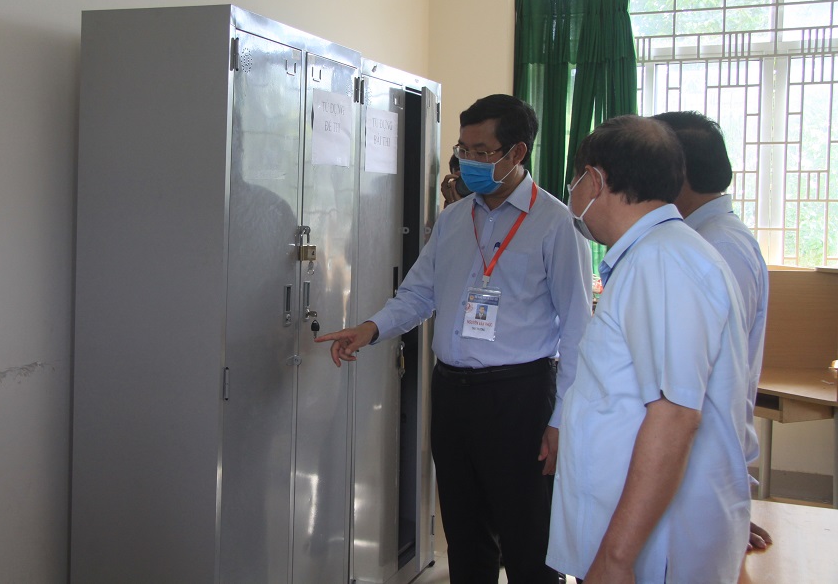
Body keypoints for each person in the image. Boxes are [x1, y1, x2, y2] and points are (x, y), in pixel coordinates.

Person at [317, 94, 592, 583]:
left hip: (520, 397)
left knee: (529, 541)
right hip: (453, 395)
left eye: (482, 152)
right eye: (463, 150)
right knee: (465, 536)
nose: (469, 162)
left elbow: (576, 330)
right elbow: (418, 294)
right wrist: (371, 328)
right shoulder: (453, 220)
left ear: (517, 153)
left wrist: (560, 420)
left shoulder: (555, 225)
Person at [547, 115, 751, 583]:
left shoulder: (663, 261)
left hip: (655, 552)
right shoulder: (655, 254)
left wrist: (617, 557)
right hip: (636, 537)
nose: (573, 194)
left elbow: (675, 416)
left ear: (594, 180)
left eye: (575, 180)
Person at [654, 110, 772, 552]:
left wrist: (730, 498)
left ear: (677, 172)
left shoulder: (719, 247)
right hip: (687, 470)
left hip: (698, 474)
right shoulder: (695, 237)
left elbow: (717, 384)